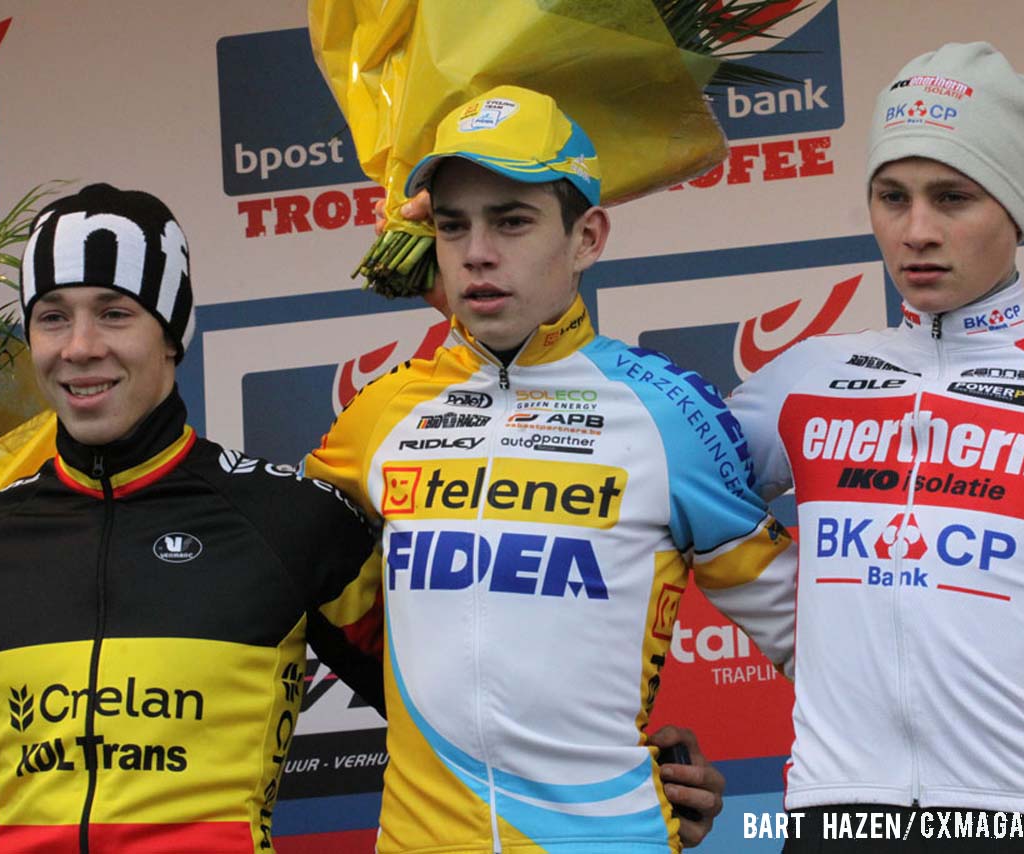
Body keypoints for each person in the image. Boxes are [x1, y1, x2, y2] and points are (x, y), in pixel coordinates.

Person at [304, 85, 798, 854]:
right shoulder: (381, 417)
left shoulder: (670, 415)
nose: (476, 252)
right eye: (452, 225)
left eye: (512, 221)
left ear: (588, 237)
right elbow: (296, 583)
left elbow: (818, 643)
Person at [727, 42, 1024, 850]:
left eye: (952, 197)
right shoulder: (808, 376)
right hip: (834, 817)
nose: (916, 232)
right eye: (892, 196)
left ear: (1017, 207)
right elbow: (651, 494)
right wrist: (806, 632)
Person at [0, 184, 381, 853]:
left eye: (115, 313)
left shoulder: (291, 520)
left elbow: (447, 724)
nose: (80, 347)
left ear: (172, 337)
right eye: (52, 317)